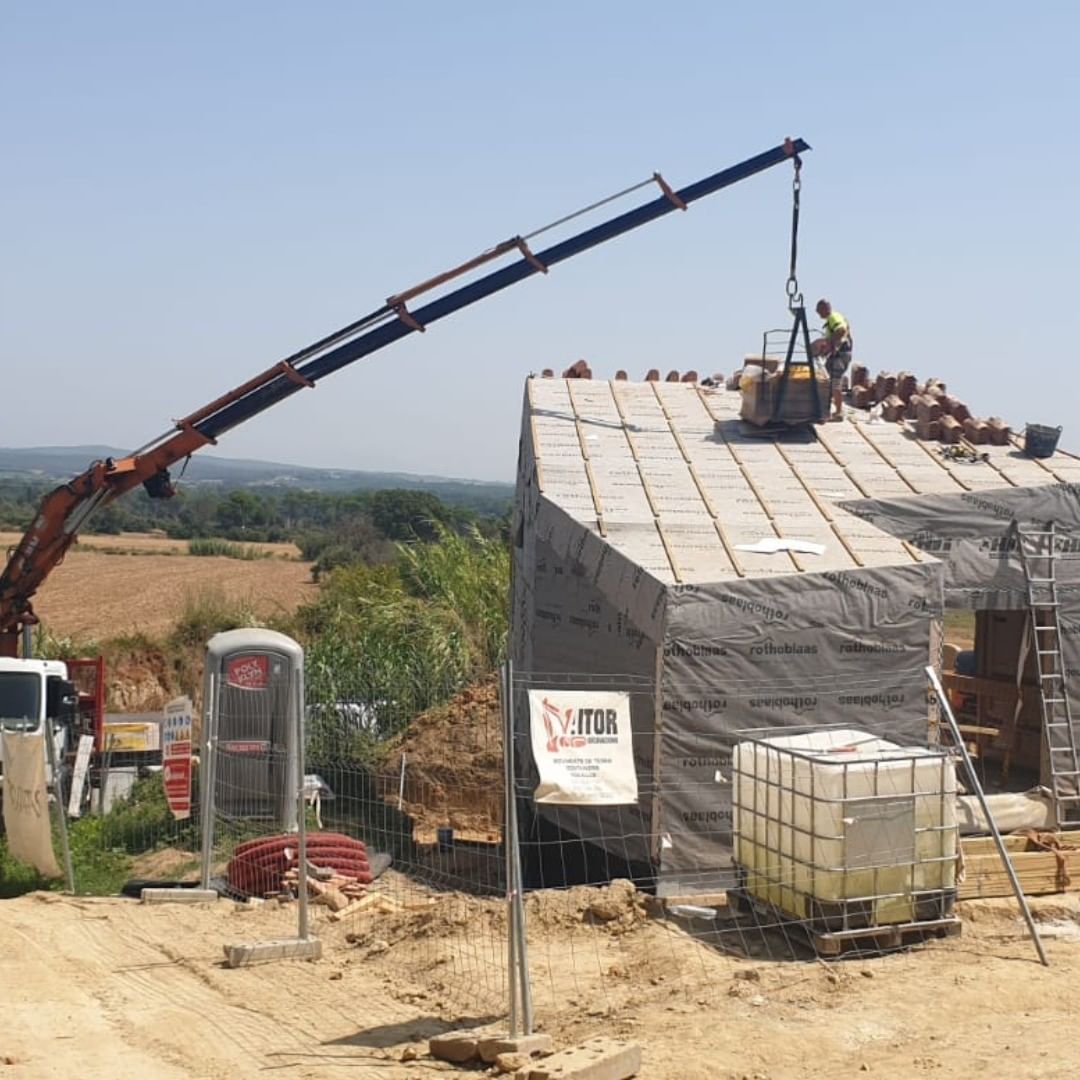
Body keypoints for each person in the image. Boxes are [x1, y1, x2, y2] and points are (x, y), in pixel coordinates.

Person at [815, 299, 852, 421]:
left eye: (819, 310)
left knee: (835, 382)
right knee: (827, 380)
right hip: (837, 355)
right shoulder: (831, 319)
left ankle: (839, 412)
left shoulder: (833, 317)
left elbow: (841, 330)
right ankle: (827, 409)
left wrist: (831, 344)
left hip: (840, 356)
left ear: (825, 308)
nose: (818, 313)